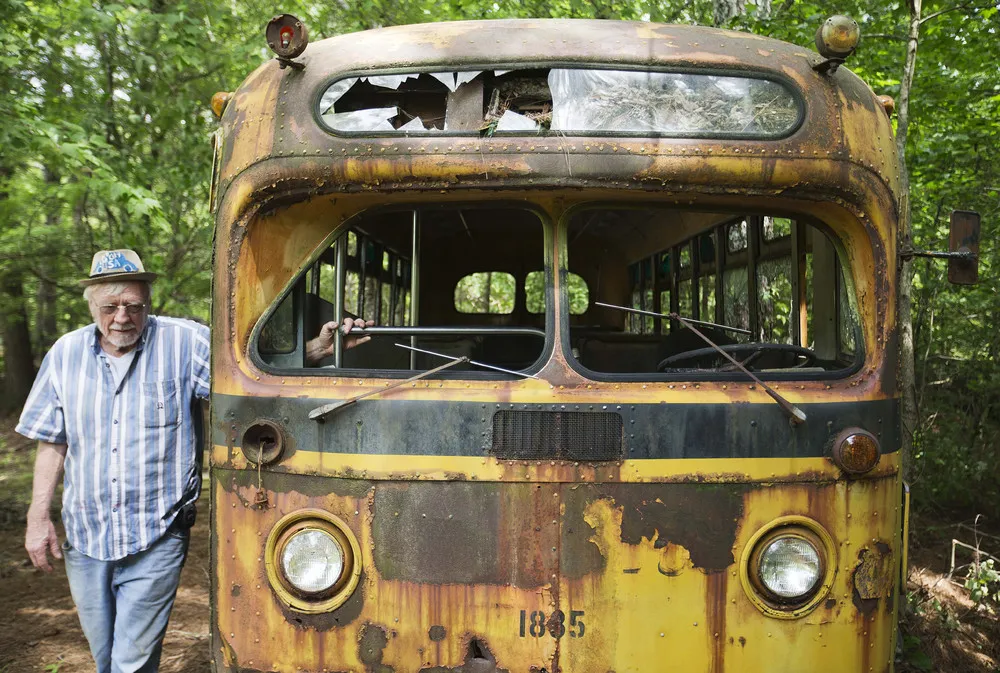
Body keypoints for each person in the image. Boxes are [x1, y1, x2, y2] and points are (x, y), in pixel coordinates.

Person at [18, 249, 369, 673]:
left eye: (134, 306)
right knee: (104, 656)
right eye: (110, 307)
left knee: (131, 661)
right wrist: (38, 516)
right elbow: (52, 441)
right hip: (85, 533)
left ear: (148, 302)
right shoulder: (64, 354)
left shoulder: (184, 342)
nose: (122, 318)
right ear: (91, 305)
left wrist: (317, 350)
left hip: (156, 534)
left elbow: (252, 380)